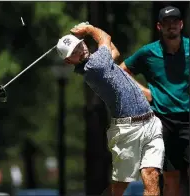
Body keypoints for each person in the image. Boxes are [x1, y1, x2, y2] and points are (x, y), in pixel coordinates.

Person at [56, 22, 165, 196]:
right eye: (73, 52)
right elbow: (105, 39)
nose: (79, 50)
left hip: (150, 122)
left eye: (79, 45)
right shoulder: (94, 67)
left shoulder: (100, 60)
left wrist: (92, 34)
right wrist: (90, 29)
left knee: (151, 175)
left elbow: (114, 51)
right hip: (128, 130)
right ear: (69, 61)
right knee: (120, 186)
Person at [120, 6, 189, 196]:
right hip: (162, 121)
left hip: (188, 118)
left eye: (175, 22)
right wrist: (143, 91)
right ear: (160, 27)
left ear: (181, 24)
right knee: (170, 178)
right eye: (167, 23)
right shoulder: (148, 53)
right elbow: (121, 70)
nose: (171, 26)